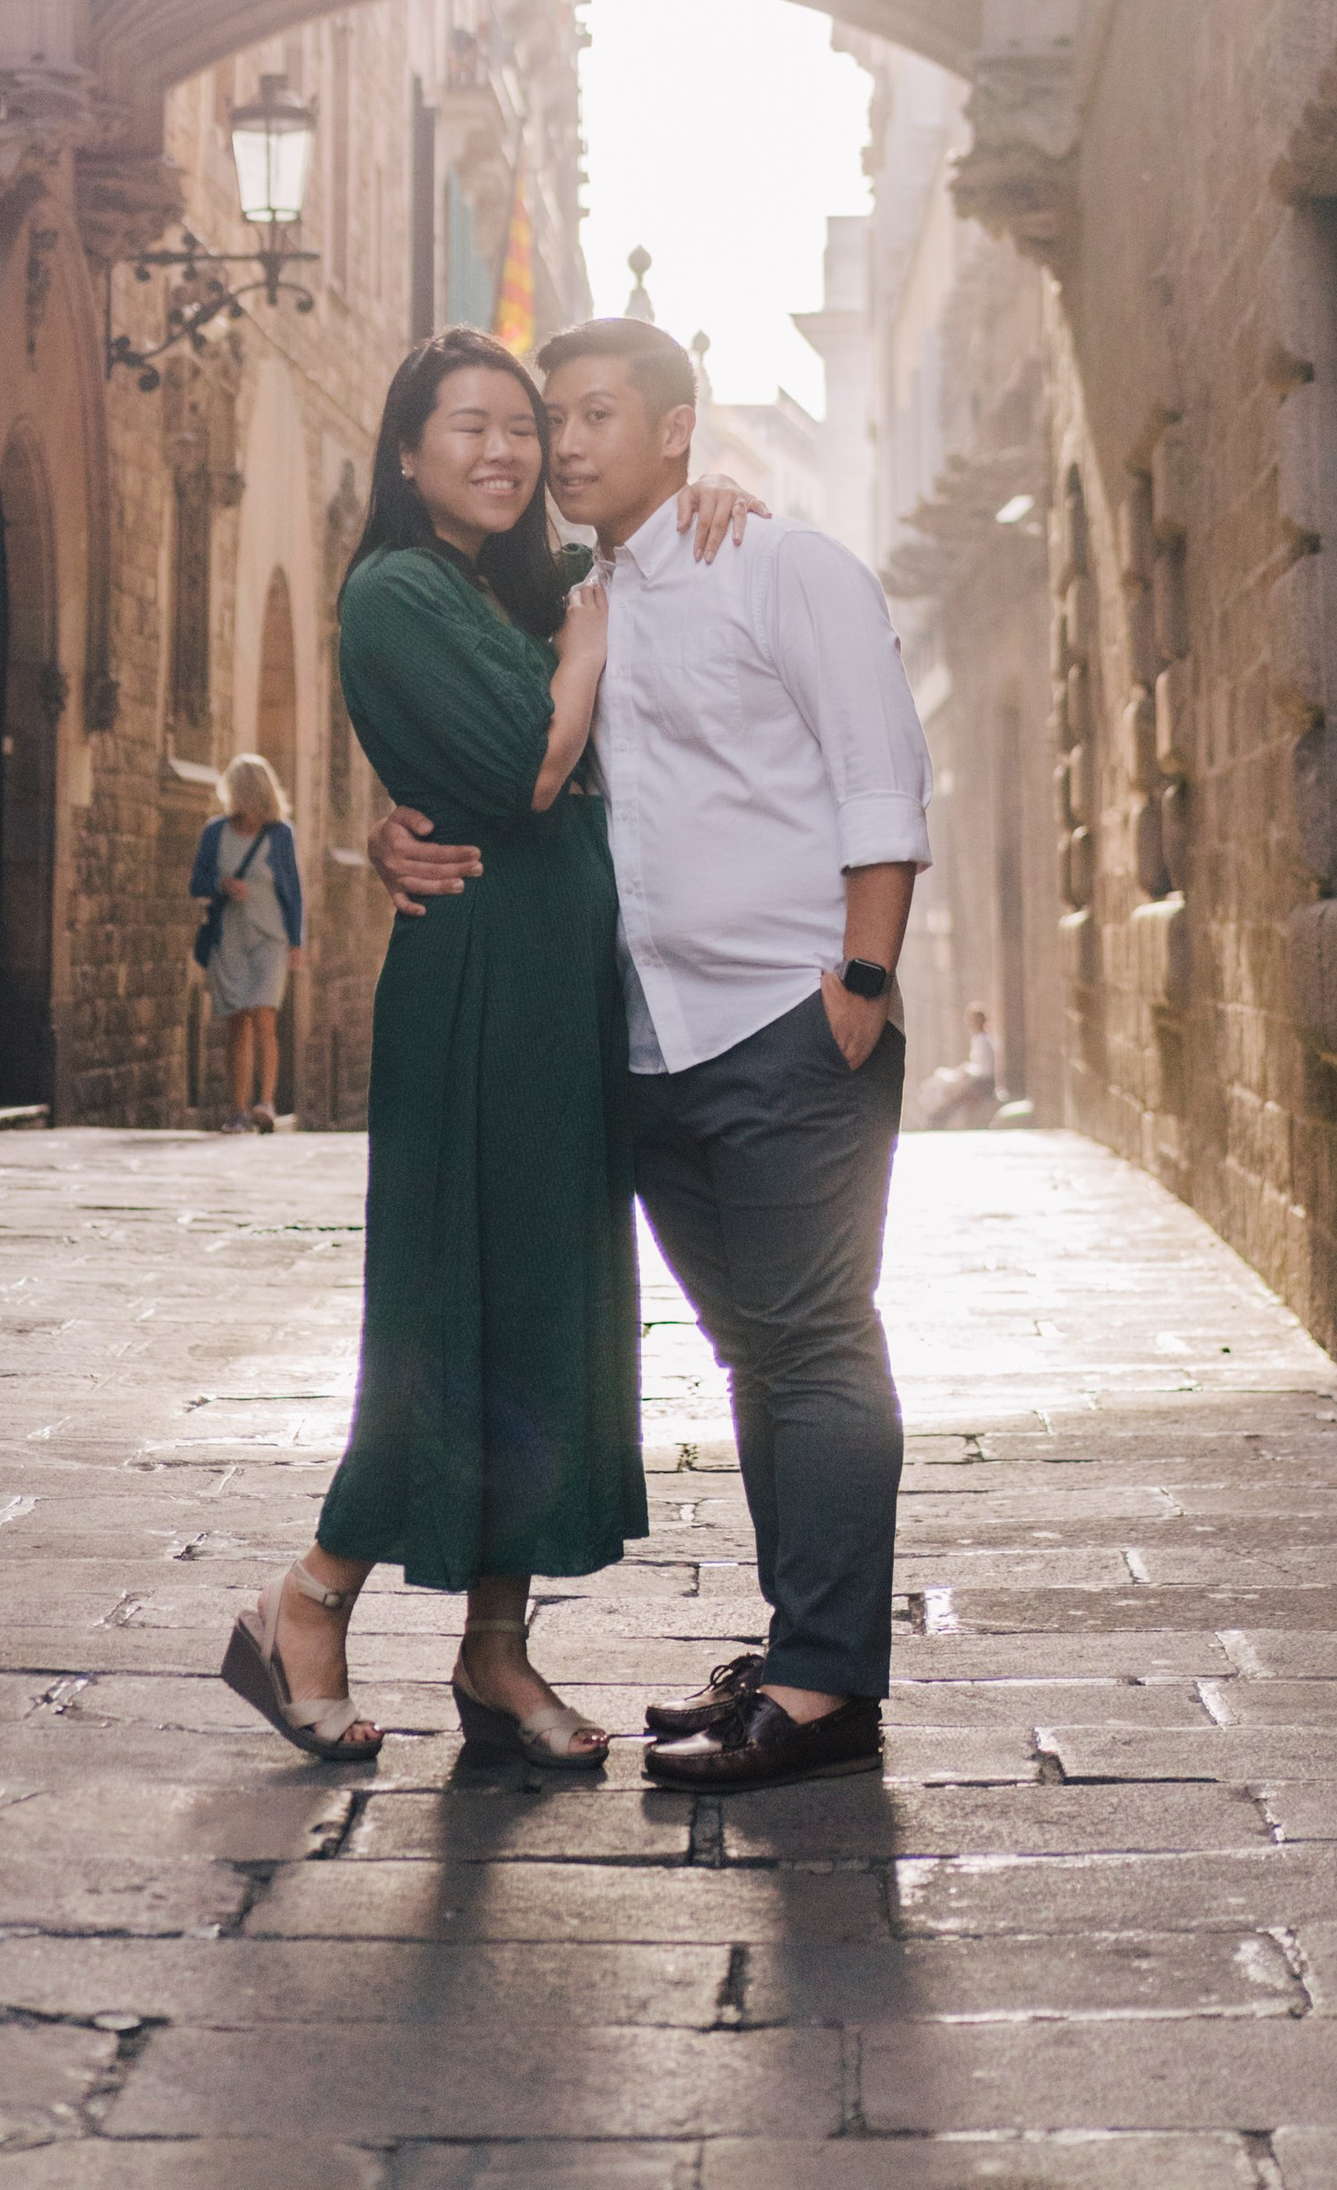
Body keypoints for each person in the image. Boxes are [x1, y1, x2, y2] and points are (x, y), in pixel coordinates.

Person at [373, 313, 931, 1795]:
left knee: (817, 1343)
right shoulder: (574, 603)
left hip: (786, 1026)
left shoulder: (784, 565)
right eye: (548, 418)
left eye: (595, 414)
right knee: (757, 1353)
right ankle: (805, 1652)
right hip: (642, 1044)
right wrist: (390, 836)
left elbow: (880, 775)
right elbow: (512, 766)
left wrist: (861, 982)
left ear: (677, 430)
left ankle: (823, 1687)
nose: (560, 445)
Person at [219, 326, 757, 1771]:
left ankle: (496, 1652)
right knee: (450, 1305)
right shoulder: (398, 589)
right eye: (471, 426)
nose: (509, 450)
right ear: (407, 454)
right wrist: (583, 646)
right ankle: (307, 1602)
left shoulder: (519, 587)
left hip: (564, 993)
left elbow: (642, 637)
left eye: (524, 426)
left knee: (543, 1315)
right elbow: (529, 766)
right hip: (477, 990)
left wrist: (706, 501)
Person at [190, 755, 304, 1132]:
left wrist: (296, 942)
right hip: (230, 939)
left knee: (265, 1015)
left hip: (271, 938)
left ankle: (266, 1103)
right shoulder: (215, 832)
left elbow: (293, 891)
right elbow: (197, 883)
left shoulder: (281, 835)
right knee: (237, 1021)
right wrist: (221, 884)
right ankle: (237, 1110)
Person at [917, 1004, 1000, 1132]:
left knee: (950, 1090)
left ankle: (938, 1119)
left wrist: (966, 1072)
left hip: (982, 1082)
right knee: (942, 1081)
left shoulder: (983, 1040)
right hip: (977, 1078)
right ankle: (936, 1117)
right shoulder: (979, 1039)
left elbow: (984, 1068)